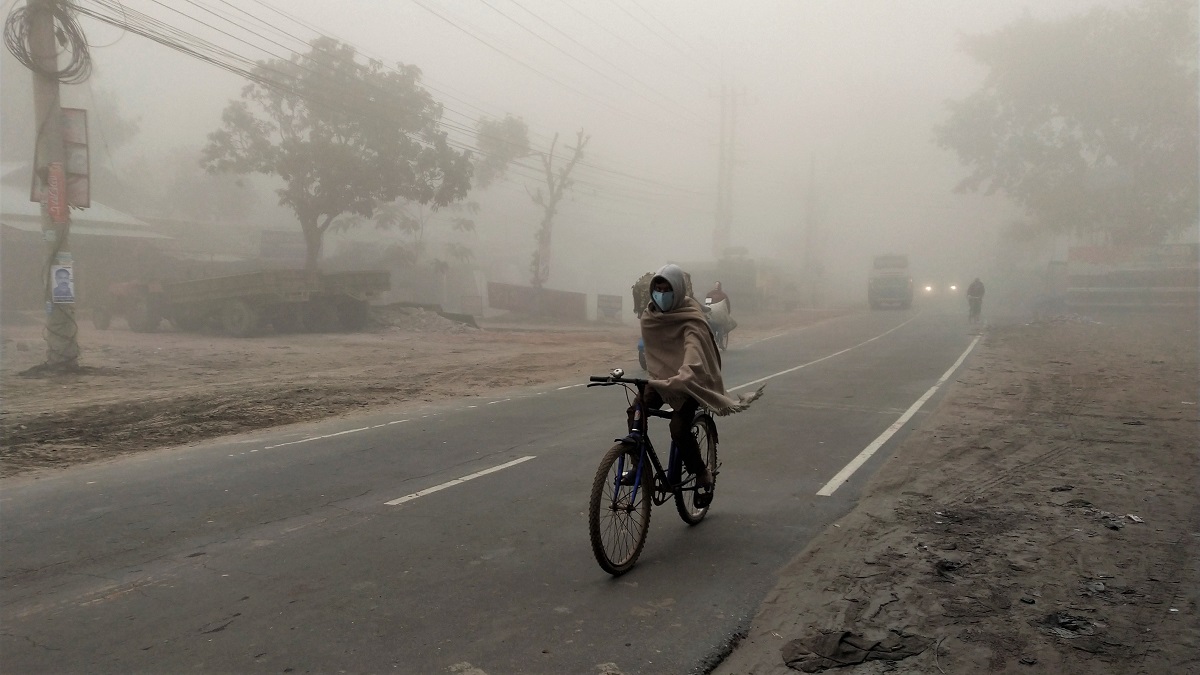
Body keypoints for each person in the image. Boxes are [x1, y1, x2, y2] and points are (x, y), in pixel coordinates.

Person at [632, 264, 763, 502]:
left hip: (689, 381)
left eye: (667, 289)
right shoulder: (651, 316)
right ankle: (637, 466)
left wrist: (685, 373)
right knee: (636, 411)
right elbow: (654, 351)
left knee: (678, 428)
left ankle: (702, 473)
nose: (661, 294)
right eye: (658, 289)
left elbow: (693, 348)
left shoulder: (691, 318)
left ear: (678, 290)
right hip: (662, 379)